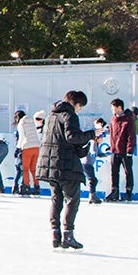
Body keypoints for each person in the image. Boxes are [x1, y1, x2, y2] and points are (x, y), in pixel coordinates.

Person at [37, 91, 95, 250]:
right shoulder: (69, 115)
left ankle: (55, 233)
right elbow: (72, 137)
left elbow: (62, 139)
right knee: (72, 200)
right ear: (75, 104)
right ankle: (68, 235)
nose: (80, 110)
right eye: (80, 106)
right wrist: (91, 134)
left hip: (50, 166)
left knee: (56, 199)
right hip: (66, 166)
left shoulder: (51, 116)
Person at [108, 100, 136, 203]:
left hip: (124, 150)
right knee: (114, 171)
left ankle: (128, 193)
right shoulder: (113, 119)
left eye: (113, 108)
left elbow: (131, 136)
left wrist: (129, 150)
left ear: (120, 107)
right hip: (115, 150)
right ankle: (114, 191)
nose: (112, 110)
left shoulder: (128, 119)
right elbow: (112, 134)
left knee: (128, 171)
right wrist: (111, 146)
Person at [82, 117, 109, 203]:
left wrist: (106, 154)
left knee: (93, 180)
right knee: (92, 180)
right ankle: (92, 196)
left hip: (89, 165)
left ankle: (92, 195)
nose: (102, 139)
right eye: (101, 137)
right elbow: (92, 149)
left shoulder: (97, 145)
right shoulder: (93, 142)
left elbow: (98, 154)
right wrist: (92, 152)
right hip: (86, 165)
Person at [17, 110, 43, 196]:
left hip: (27, 147)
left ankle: (26, 187)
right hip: (36, 147)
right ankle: (37, 187)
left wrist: (18, 147)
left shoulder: (21, 123)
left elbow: (21, 136)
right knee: (33, 169)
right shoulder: (32, 122)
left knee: (25, 169)